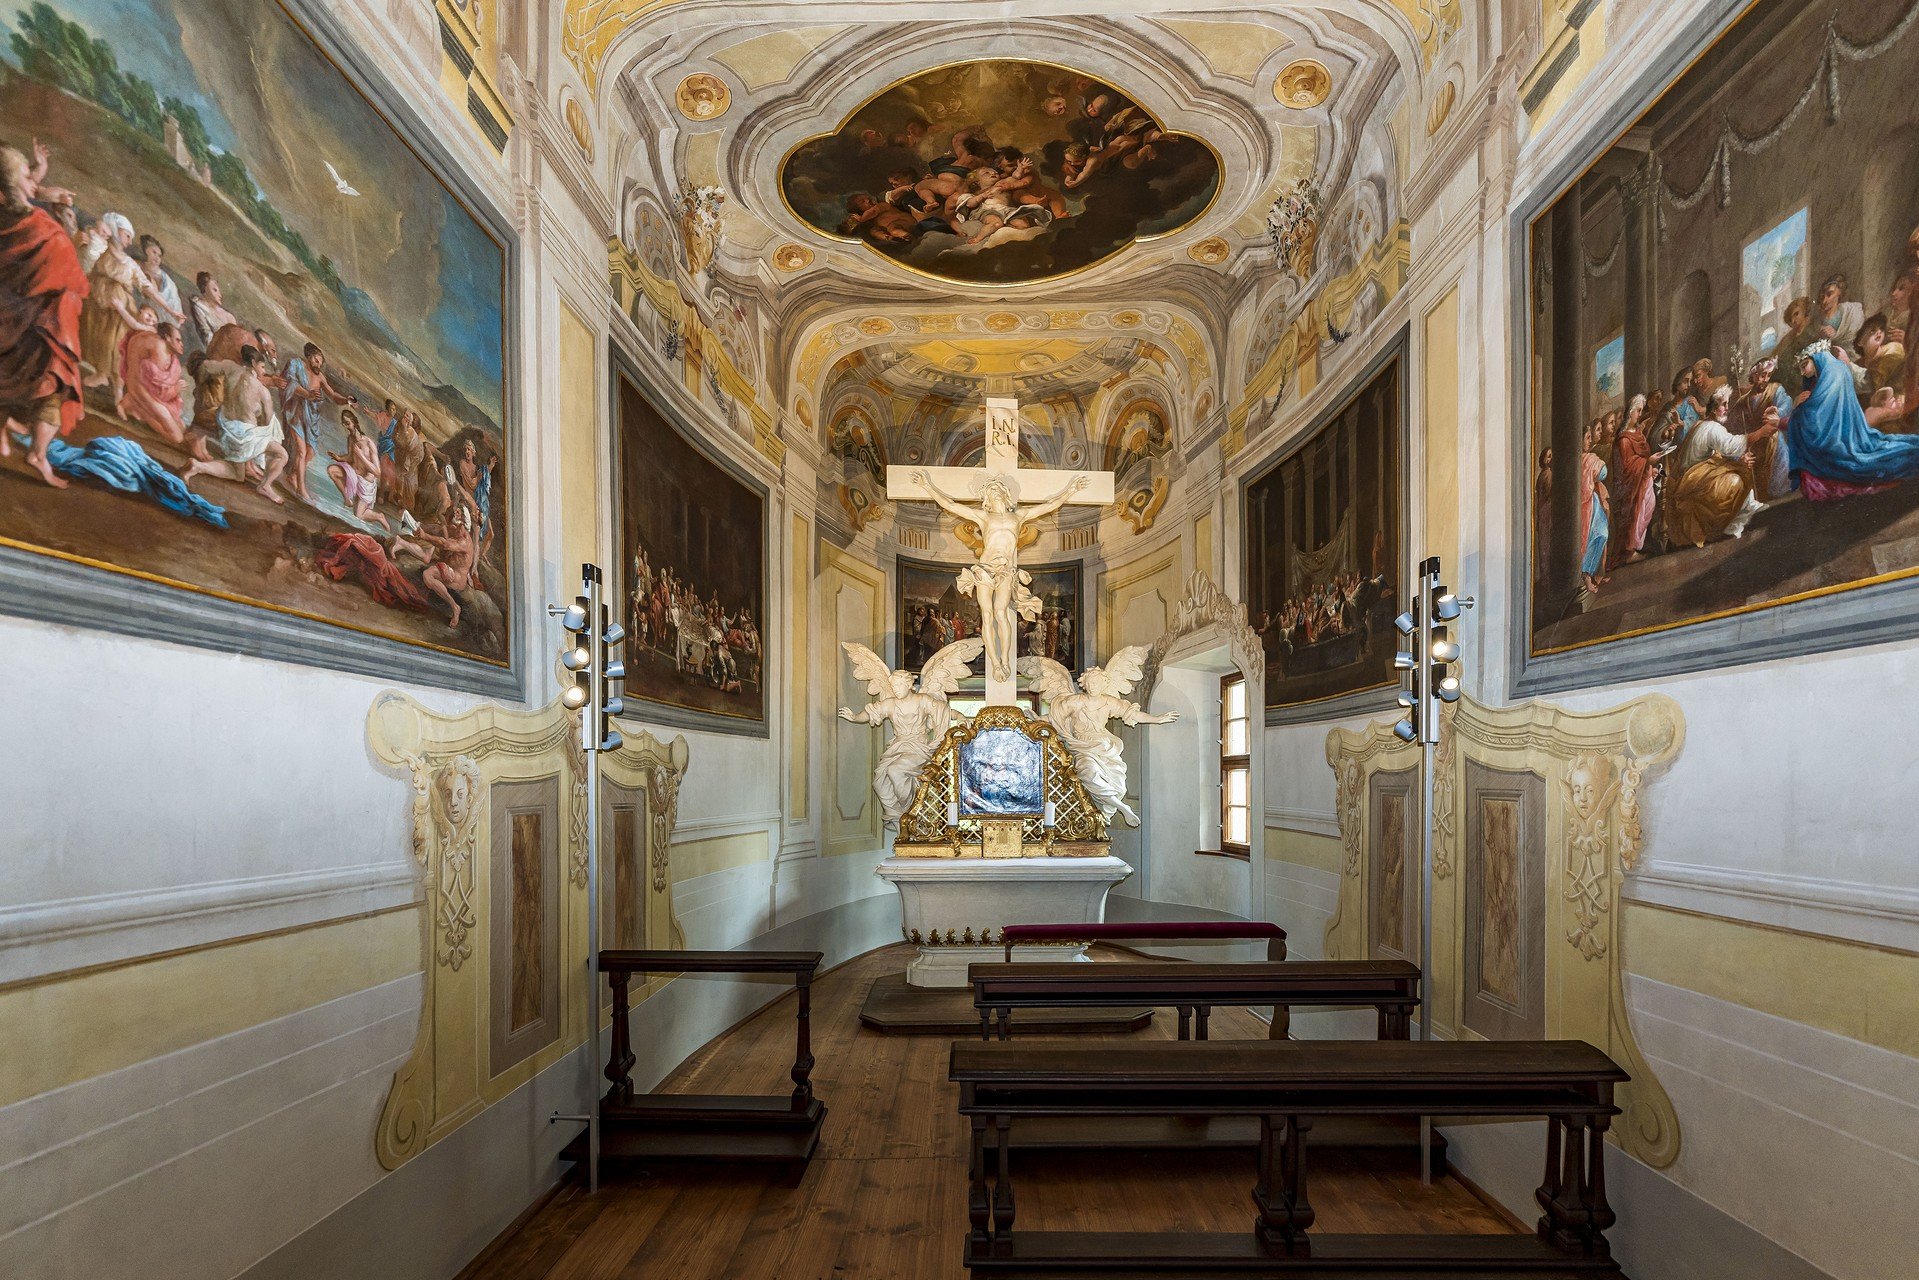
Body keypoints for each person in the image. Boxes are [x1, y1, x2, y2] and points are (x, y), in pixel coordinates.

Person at [0, 143, 90, 489]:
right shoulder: (45, 231)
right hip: (41, 327)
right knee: (54, 383)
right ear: (14, 184)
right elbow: (73, 282)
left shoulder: (6, 215)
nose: (34, 182)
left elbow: (19, 190)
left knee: (6, 377)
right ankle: (38, 454)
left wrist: (38, 180)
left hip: (8, 325)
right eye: (28, 176)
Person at [1788, 341, 1919, 500]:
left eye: (1804, 365)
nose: (1803, 372)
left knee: (1862, 462)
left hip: (1836, 441)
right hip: (1844, 435)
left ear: (1817, 358)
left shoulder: (1831, 372)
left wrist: (1797, 410)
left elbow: (1817, 414)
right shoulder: (1835, 368)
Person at [179, 345, 291, 503]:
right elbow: (266, 421)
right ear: (253, 363)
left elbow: (205, 366)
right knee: (282, 454)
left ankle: (197, 466)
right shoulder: (262, 391)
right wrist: (256, 414)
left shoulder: (230, 367)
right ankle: (265, 486)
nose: (264, 371)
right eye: (262, 366)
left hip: (227, 428)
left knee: (237, 473)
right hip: (244, 435)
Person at [1668, 384, 1774, 546]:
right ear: (1713, 407)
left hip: (1694, 479)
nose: (1727, 408)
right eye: (1723, 404)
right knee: (1735, 481)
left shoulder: (1700, 424)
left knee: (1737, 468)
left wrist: (1738, 460)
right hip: (1693, 484)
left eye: (1727, 403)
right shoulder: (1711, 428)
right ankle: (1731, 523)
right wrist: (1760, 433)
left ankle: (1746, 507)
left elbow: (1717, 456)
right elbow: (1731, 445)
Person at [78, 212, 151, 403]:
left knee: (114, 341)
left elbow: (144, 285)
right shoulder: (101, 247)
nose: (129, 241)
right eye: (127, 236)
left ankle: (108, 377)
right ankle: (100, 373)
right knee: (92, 331)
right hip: (97, 298)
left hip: (119, 306)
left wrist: (169, 309)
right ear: (116, 232)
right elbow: (87, 264)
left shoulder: (128, 262)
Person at [279, 342, 354, 502]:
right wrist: (307, 394)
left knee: (310, 452)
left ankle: (293, 476)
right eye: (316, 360)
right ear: (309, 357)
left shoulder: (320, 377)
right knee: (301, 451)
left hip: (311, 418)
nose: (318, 365)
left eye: (320, 362)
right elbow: (289, 383)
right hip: (295, 413)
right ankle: (301, 489)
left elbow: (333, 395)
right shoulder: (296, 365)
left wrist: (346, 400)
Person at [116, 320, 186, 443]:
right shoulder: (159, 349)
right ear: (167, 338)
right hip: (139, 388)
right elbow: (156, 391)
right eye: (178, 340)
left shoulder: (165, 351)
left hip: (143, 386)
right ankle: (137, 406)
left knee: (182, 427)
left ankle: (135, 404)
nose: (182, 344)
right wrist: (174, 389)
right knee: (177, 437)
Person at [326, 407, 390, 531]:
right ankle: (347, 499)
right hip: (354, 476)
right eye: (344, 424)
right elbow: (351, 457)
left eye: (347, 423)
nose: (346, 427)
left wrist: (361, 456)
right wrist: (339, 458)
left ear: (354, 422)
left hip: (366, 483)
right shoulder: (350, 439)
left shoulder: (368, 443)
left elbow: (377, 471)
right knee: (332, 470)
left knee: (359, 515)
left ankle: (380, 517)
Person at [135, 234, 184, 327]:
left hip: (168, 307)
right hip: (153, 309)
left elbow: (156, 294)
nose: (157, 258)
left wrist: (173, 312)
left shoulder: (163, 278)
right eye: (154, 252)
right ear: (145, 250)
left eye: (159, 256)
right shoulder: (137, 266)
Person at [188, 272, 237, 351]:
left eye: (218, 291)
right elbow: (206, 336)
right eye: (215, 290)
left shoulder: (229, 316)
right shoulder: (199, 307)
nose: (220, 295)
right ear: (205, 289)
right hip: (218, 352)